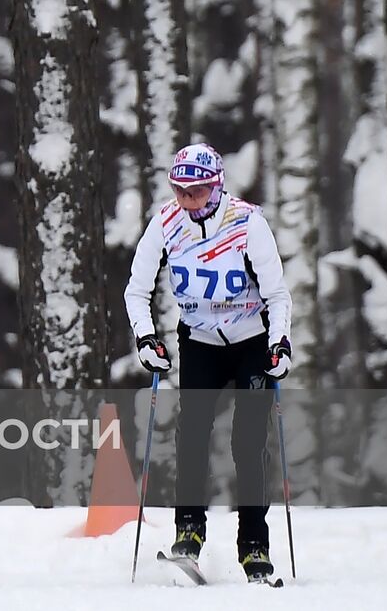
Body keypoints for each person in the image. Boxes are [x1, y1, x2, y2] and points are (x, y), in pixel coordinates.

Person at [123, 143, 294, 582]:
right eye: (179, 191)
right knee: (193, 434)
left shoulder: (247, 222)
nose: (186, 201)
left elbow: (277, 294)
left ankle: (254, 547)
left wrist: (280, 345)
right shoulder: (165, 222)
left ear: (216, 187)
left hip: (251, 341)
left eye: (195, 192)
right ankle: (188, 534)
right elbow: (136, 289)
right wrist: (146, 337)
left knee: (248, 443)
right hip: (199, 340)